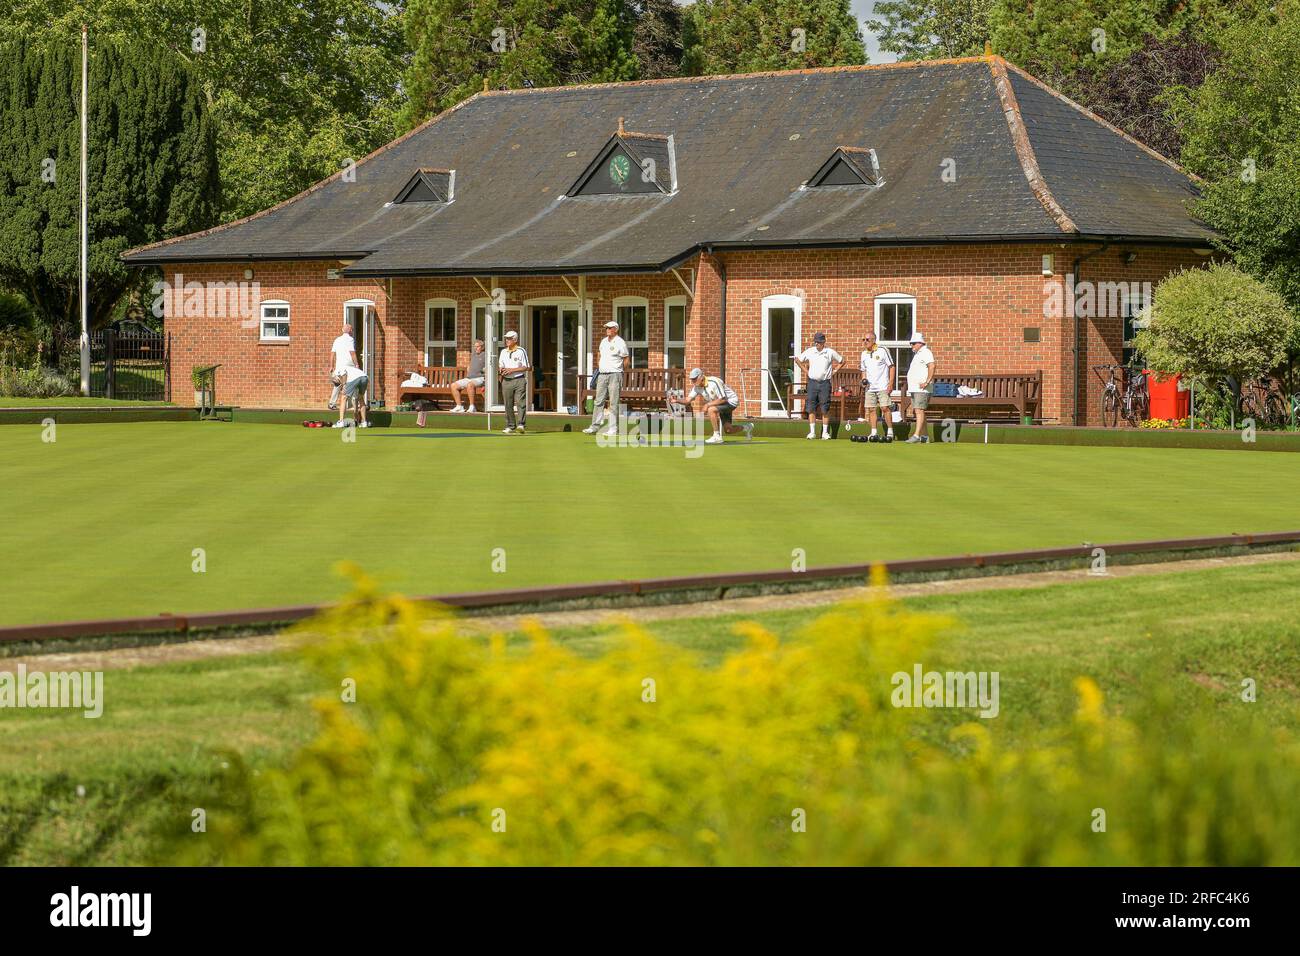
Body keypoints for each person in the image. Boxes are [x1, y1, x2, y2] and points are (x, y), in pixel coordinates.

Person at [583, 320, 629, 437]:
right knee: (598, 401)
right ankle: (594, 426)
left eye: (609, 328)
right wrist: (600, 365)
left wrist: (620, 371)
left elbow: (626, 359)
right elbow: (599, 354)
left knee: (614, 402)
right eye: (606, 328)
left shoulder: (620, 342)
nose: (607, 330)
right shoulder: (603, 341)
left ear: (615, 329)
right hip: (602, 374)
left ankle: (613, 429)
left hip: (615, 374)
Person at [684, 368, 754, 444]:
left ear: (701, 377)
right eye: (692, 379)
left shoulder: (714, 382)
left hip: (730, 401)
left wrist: (707, 405)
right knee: (728, 430)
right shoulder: (696, 387)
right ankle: (747, 427)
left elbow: (723, 399)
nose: (693, 381)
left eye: (694, 379)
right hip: (720, 404)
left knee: (711, 409)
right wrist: (676, 400)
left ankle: (716, 436)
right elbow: (688, 400)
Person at [796, 332, 844, 440]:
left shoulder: (829, 352)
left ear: (823, 342)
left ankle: (825, 433)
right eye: (816, 342)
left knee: (825, 408)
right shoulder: (810, 351)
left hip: (825, 383)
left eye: (819, 342)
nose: (817, 344)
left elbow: (842, 361)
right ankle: (812, 432)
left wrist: (835, 371)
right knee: (811, 407)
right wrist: (806, 371)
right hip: (812, 382)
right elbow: (798, 360)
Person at [857, 331, 896, 442]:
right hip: (870, 387)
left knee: (885, 408)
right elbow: (863, 370)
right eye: (863, 340)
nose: (865, 342)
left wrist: (891, 383)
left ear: (874, 340)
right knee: (871, 409)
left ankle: (890, 431)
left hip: (883, 385)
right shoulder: (863, 354)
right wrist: (864, 380)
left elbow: (892, 367)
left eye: (867, 340)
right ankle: (873, 432)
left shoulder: (883, 350)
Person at [905, 331, 936, 444]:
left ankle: (917, 435)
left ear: (920, 343)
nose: (911, 346)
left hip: (921, 389)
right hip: (915, 388)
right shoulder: (918, 354)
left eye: (913, 343)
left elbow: (932, 366)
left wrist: (927, 381)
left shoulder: (926, 352)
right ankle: (925, 436)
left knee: (919, 410)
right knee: (919, 411)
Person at [497, 330, 530, 434]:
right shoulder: (503, 352)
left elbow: (526, 367)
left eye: (509, 338)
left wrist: (511, 370)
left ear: (515, 340)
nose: (507, 340)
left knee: (521, 403)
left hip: (519, 379)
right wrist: (501, 370)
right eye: (506, 338)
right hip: (506, 381)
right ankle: (511, 426)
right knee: (508, 404)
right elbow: (500, 365)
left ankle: (521, 424)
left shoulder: (521, 351)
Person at [449, 340, 487, 413]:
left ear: (482, 347)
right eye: (475, 346)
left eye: (477, 346)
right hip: (469, 378)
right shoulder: (473, 355)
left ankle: (472, 406)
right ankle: (459, 406)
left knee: (470, 385)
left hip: (480, 378)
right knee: (454, 385)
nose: (476, 348)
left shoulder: (485, 355)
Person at [328, 323, 357, 410]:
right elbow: (352, 353)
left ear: (342, 330)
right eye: (351, 329)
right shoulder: (350, 339)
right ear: (350, 331)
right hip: (348, 367)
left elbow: (332, 354)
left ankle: (331, 404)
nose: (352, 331)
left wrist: (331, 366)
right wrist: (357, 364)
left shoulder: (337, 340)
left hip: (339, 367)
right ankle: (355, 404)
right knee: (353, 384)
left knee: (338, 385)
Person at [333, 363, 370, 428]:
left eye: (337, 382)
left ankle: (341, 422)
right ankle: (364, 422)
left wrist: (344, 385)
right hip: (365, 377)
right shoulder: (350, 369)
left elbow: (344, 374)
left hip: (355, 378)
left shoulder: (337, 370)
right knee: (361, 398)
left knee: (344, 397)